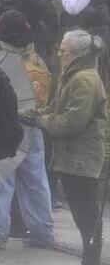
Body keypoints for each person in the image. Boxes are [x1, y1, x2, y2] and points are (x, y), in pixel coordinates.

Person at [24, 29, 107, 265]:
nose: (59, 54)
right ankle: (89, 255)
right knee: (82, 211)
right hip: (72, 156)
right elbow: (56, 109)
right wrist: (32, 114)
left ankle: (90, 257)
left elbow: (72, 121)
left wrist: (40, 121)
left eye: (63, 51)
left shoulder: (85, 79)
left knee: (86, 211)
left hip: (81, 156)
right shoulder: (72, 75)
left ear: (78, 54)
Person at [0, 10, 55, 250]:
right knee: (36, 180)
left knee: (0, 181)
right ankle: (42, 231)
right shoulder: (35, 57)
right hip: (33, 126)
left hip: (7, 127)